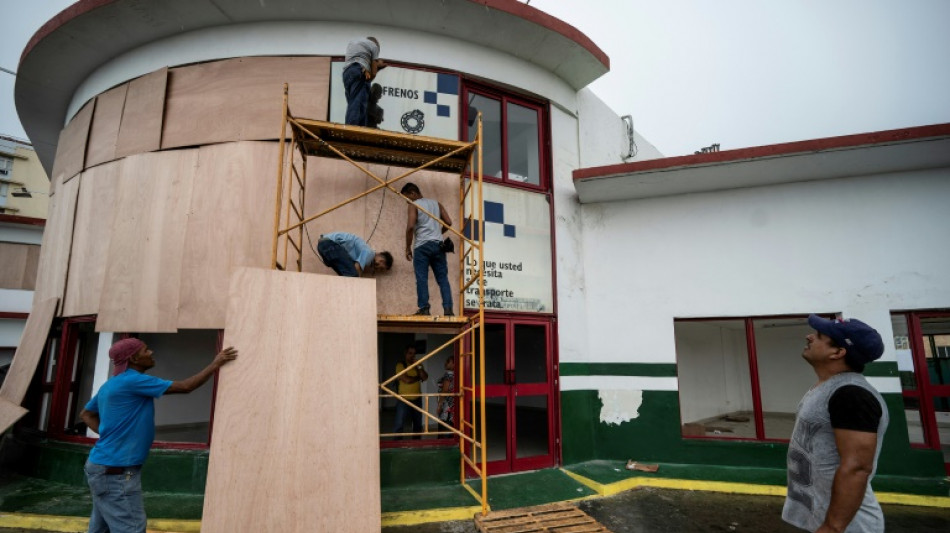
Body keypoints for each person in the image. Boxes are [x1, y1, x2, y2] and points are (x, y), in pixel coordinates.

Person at [79, 338, 238, 533]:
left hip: (102, 468)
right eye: (146, 350)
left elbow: (86, 414)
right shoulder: (133, 380)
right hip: (116, 472)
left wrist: (112, 434)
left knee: (101, 528)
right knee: (131, 528)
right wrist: (216, 363)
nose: (151, 353)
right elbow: (186, 386)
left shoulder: (112, 384)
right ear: (134, 358)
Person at [782, 314, 889, 533]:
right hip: (821, 518)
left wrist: (833, 526)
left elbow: (857, 467)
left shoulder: (851, 395)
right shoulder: (828, 387)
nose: (809, 336)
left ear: (838, 352)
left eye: (819, 336)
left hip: (848, 526)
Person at [401, 183, 453, 316]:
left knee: (422, 278)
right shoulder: (437, 204)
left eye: (407, 198)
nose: (407, 202)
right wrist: (438, 233)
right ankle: (448, 310)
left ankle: (424, 308)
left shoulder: (414, 205)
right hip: (438, 246)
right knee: (443, 279)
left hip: (422, 246)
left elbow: (410, 227)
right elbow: (448, 222)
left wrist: (407, 248)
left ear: (412, 193)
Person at [342, 36, 387, 127]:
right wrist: (377, 66)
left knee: (353, 102)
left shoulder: (353, 43)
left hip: (347, 73)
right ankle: (352, 128)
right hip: (359, 71)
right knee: (357, 104)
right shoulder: (374, 46)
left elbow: (356, 61)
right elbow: (373, 73)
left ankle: (358, 126)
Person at [316, 231, 393, 277]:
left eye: (381, 270)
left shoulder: (364, 254)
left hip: (323, 246)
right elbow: (357, 267)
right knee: (353, 275)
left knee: (345, 277)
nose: (379, 268)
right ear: (379, 254)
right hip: (330, 244)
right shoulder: (370, 254)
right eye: (382, 262)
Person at [392, 344, 427, 439]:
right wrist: (418, 377)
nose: (412, 356)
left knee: (417, 424)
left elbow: (425, 377)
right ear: (405, 354)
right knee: (399, 423)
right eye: (410, 353)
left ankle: (416, 443)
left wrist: (419, 367)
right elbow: (407, 380)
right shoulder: (401, 365)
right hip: (403, 399)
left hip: (417, 399)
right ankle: (397, 443)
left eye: (414, 354)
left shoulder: (418, 365)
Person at [436, 357, 455, 425]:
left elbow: (444, 390)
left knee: (444, 424)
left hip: (447, 405)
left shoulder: (448, 374)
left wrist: (439, 405)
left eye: (448, 361)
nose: (445, 363)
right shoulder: (456, 374)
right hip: (452, 404)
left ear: (454, 364)